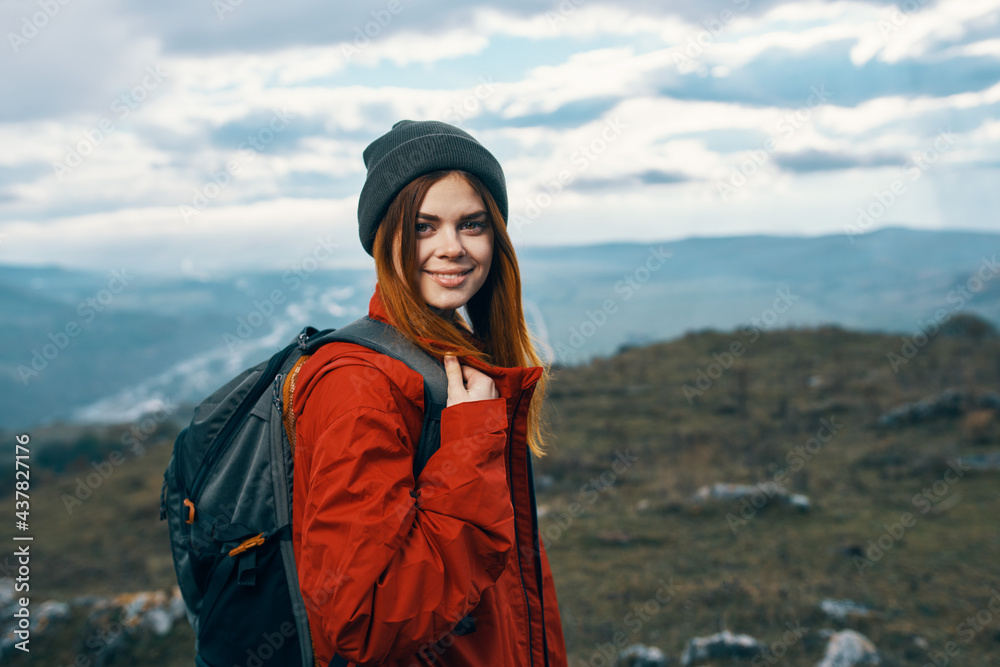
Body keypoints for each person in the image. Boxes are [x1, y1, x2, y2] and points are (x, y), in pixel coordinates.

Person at [290, 120, 568, 666]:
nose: (452, 249)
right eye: (423, 226)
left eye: (471, 224)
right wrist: (469, 446)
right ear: (383, 238)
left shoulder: (456, 365)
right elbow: (363, 624)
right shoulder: (360, 387)